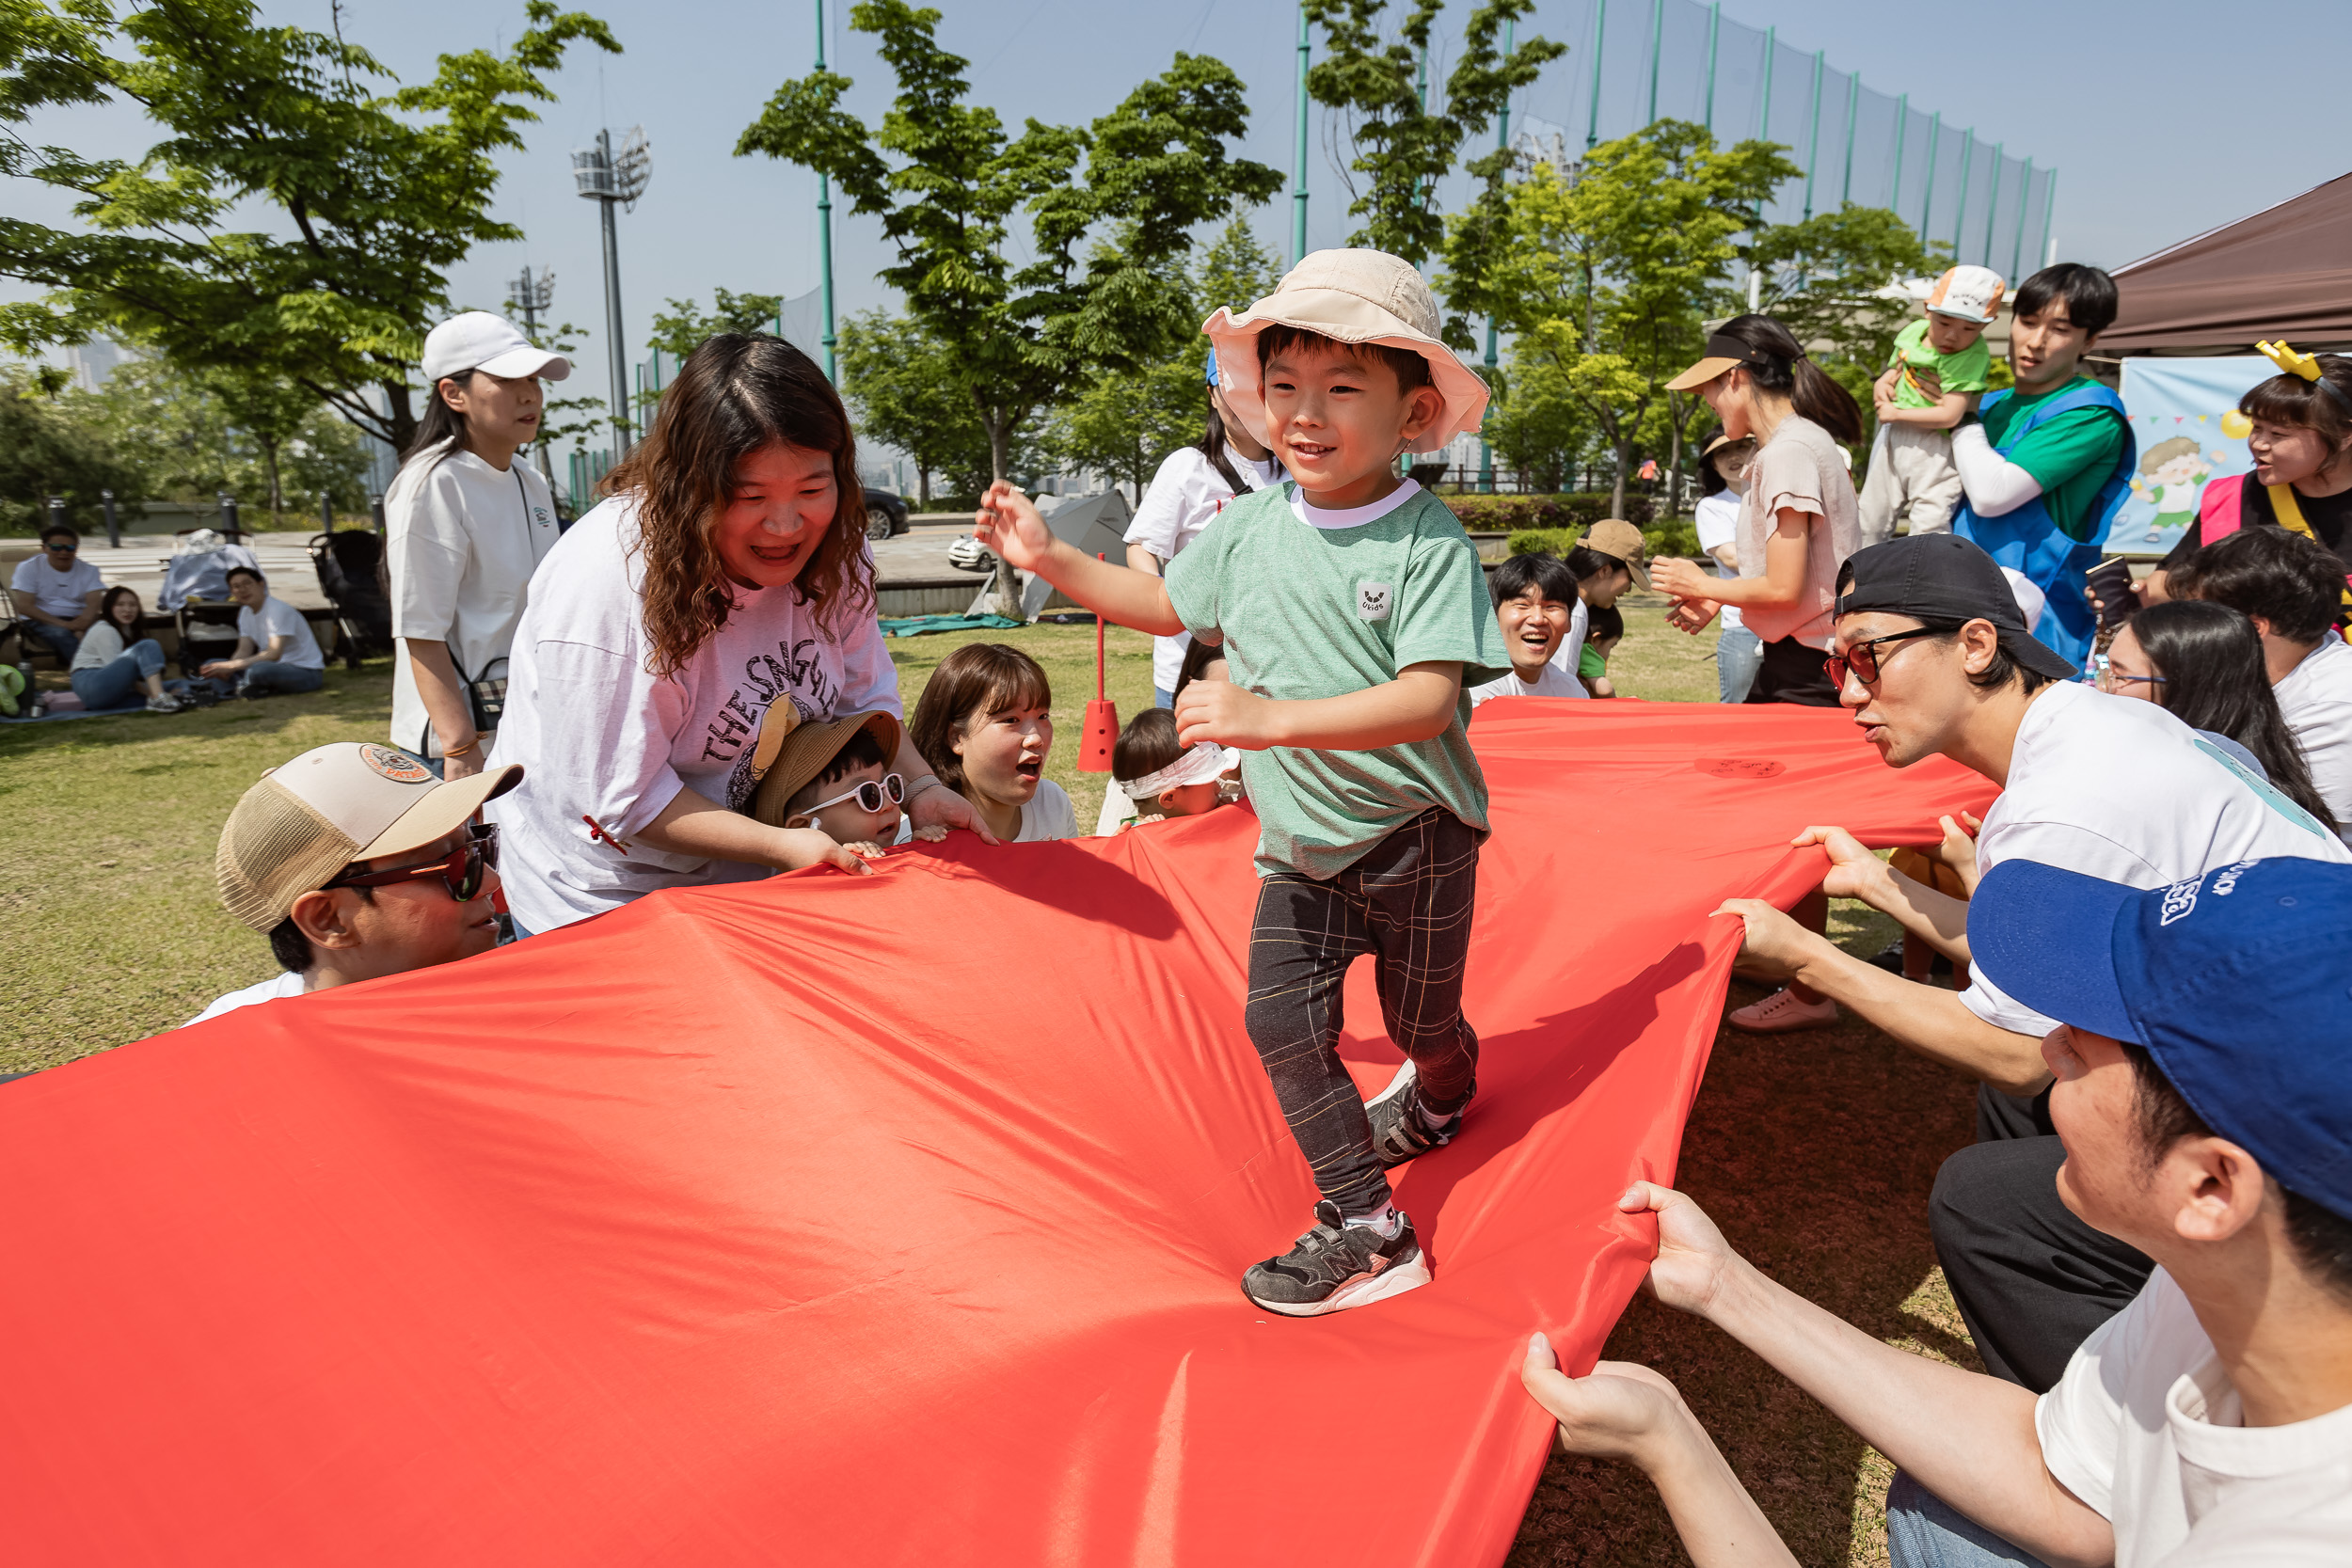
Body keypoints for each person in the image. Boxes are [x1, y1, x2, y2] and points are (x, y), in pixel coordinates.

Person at [1520, 853, 2352, 1568]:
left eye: (2092, 1041)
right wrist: (1725, 1287)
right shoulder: (2233, 1281)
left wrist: (1670, 1443)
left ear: (2212, 1186)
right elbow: (2055, 1470)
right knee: (1947, 1508)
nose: (2051, 1045)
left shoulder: (2284, 1540)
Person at [975, 246, 1508, 1316]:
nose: (1304, 414)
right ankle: (1366, 1224)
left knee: (1417, 1025)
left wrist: (1271, 718)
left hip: (1417, 835)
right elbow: (1167, 603)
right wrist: (1050, 561)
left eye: (1341, 389)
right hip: (1301, 848)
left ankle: (1446, 1083)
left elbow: (1427, 701)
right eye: (1283, 388)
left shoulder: (1424, 538)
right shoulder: (1251, 524)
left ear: (1411, 414)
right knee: (1280, 1025)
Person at [1718, 532, 2348, 1391]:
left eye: (1868, 657)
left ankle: (2116, 1447)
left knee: (1988, 1201)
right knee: (2040, 1109)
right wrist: (1885, 889)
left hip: (2311, 1133)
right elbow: (2041, 962)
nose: (1852, 695)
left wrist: (1809, 957)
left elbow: (2013, 1050)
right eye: (1837, 669)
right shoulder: (2095, 727)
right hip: (2289, 1049)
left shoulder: (2063, 805)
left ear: (1977, 645)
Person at [487, 334, 990, 937]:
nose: (784, 526)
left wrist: (922, 786)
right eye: (749, 496)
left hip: (757, 873)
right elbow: (624, 798)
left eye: (811, 489)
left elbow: (862, 701)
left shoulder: (837, 549)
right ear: (687, 489)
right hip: (605, 900)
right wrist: (780, 846)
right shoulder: (611, 581)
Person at [191, 741, 520, 1023]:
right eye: (449, 866)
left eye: (479, 848)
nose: (491, 881)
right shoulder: (223, 1051)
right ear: (328, 920)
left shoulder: (529, 999)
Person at [386, 310, 568, 777]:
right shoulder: (433, 483)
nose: (530, 393)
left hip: (524, 722)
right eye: (508, 379)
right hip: (460, 739)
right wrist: (459, 746)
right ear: (453, 393)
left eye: (534, 378)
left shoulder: (530, 479)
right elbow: (420, 629)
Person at [1650, 314, 1867, 706]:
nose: (1708, 403)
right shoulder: (1795, 441)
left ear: (1734, 377)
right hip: (1811, 656)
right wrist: (1720, 597)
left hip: (1811, 664)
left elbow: (1784, 589)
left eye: (1708, 389)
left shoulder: (1788, 451)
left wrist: (1701, 585)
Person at [1949, 263, 2135, 673]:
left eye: (2061, 330)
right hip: (1953, 609)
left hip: (2033, 634)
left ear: (2092, 339)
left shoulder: (2090, 413)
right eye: (2028, 322)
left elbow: (1991, 495)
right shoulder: (1991, 404)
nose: (2035, 342)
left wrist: (1957, 418)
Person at [2131, 341, 2352, 607]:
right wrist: (2134, 591)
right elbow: (2163, 584)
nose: (2258, 443)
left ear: (2343, 436)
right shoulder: (2231, 497)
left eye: (2278, 434)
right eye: (2256, 427)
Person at [1123, 352, 1285, 708]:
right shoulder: (1186, 467)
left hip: (1275, 671)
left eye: (1254, 389)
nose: (1241, 401)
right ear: (1212, 395)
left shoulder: (1297, 472)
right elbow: (1142, 547)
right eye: (1228, 389)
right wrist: (1165, 602)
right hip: (1189, 667)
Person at [2170, 527, 2352, 840]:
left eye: (2198, 616)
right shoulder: (2257, 673)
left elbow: (2309, 837)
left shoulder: (2333, 708)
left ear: (2253, 628)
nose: (2186, 629)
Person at [2102, 598, 2335, 831]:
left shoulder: (2207, 800)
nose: (2102, 688)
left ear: (2188, 688)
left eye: (2120, 676)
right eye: (2104, 669)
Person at [1859, 264, 2005, 547]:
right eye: (1945, 322)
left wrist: (1896, 413)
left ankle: (1921, 585)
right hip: (1895, 436)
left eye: (1969, 328)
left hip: (1935, 445)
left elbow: (1950, 414)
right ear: (1928, 310)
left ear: (1987, 324)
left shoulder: (1971, 356)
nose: (1953, 335)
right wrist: (1883, 382)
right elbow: (1896, 369)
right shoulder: (1913, 332)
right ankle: (1860, 580)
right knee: (1870, 518)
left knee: (1929, 525)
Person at [907, 641, 1075, 843]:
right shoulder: (920, 836)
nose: (1036, 739)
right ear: (956, 737)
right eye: (1011, 720)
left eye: (1043, 716)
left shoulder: (1052, 802)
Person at [747, 707, 942, 859]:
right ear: (803, 828)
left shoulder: (901, 839)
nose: (889, 805)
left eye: (890, 786)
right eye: (868, 796)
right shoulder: (796, 890)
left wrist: (918, 853)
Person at [1692, 430, 1761, 702]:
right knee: (1740, 710)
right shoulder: (1712, 507)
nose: (1733, 456)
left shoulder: (1775, 495)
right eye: (1721, 452)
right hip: (1743, 624)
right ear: (1712, 463)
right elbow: (1733, 558)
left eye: (1742, 446)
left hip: (1792, 623)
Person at [1470, 552, 1586, 705]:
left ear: (1569, 622)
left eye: (1552, 607)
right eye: (1522, 605)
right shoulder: (1474, 685)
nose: (1538, 619)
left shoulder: (1572, 692)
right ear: (1495, 617)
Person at [199, 565, 326, 697]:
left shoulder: (277, 609)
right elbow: (244, 650)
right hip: (273, 667)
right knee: (211, 665)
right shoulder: (245, 612)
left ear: (261, 584)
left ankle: (236, 687)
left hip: (305, 672)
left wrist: (231, 666)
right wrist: (227, 669)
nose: (242, 590)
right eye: (236, 586)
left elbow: (273, 653)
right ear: (232, 592)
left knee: (257, 671)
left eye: (247, 583)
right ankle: (242, 687)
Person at [1105, 707, 1229, 828]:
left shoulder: (1185, 820)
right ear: (1169, 798)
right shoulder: (1136, 841)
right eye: (1211, 782)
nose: (1218, 789)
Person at [70, 586, 182, 713]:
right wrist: (151, 693)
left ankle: (164, 697)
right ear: (109, 607)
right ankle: (159, 698)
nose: (127, 610)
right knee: (148, 645)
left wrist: (150, 692)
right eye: (120, 605)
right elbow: (119, 674)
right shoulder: (105, 630)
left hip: (102, 695)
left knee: (179, 685)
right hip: (92, 683)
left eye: (132, 605)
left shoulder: (127, 630)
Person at [9, 523, 103, 663]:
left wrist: (82, 624)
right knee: (62, 634)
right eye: (56, 547)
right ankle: (88, 672)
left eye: (70, 547)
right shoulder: (29, 568)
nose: (64, 552)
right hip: (42, 620)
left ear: (76, 548)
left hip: (78, 618)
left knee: (106, 632)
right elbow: (25, 606)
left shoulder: (89, 570)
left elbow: (94, 603)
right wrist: (65, 625)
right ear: (44, 548)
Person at [1579, 603, 1623, 697]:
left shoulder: (1577, 647)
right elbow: (1605, 690)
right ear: (1595, 640)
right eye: (1611, 646)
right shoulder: (1589, 654)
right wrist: (1615, 701)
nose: (1609, 654)